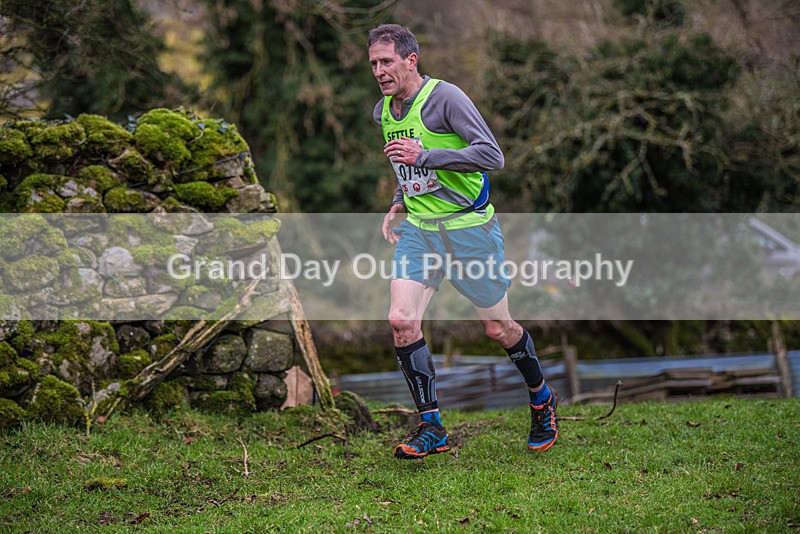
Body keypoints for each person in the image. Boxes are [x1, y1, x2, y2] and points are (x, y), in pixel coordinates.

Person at [367, 23, 558, 459]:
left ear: (410, 60)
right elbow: (406, 166)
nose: (379, 71)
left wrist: (427, 156)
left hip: (468, 230)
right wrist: (400, 200)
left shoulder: (446, 98)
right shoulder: (382, 112)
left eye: (387, 61)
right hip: (420, 232)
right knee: (401, 321)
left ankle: (542, 397)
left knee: (497, 327)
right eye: (374, 63)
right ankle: (431, 426)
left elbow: (493, 155)